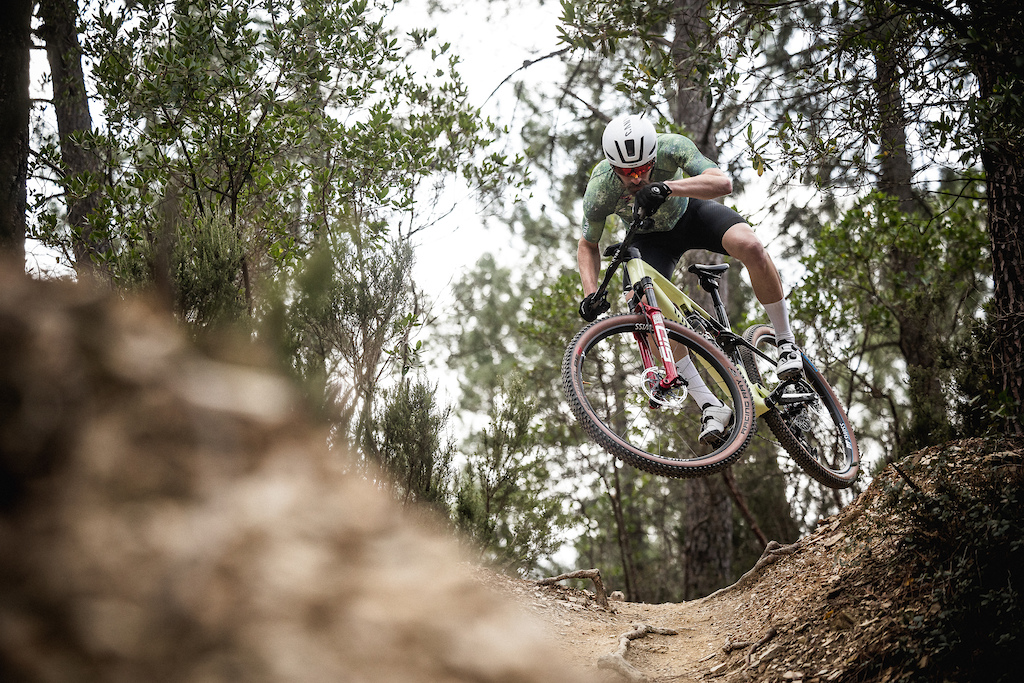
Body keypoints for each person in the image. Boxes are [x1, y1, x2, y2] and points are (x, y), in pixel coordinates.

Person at [576, 113, 802, 445]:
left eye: (642, 169)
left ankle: (785, 341)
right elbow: (587, 244)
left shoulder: (672, 147)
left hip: (691, 215)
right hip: (649, 240)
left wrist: (667, 187)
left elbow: (721, 182)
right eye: (627, 173)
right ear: (613, 168)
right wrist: (591, 292)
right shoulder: (600, 189)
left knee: (751, 246)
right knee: (640, 308)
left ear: (654, 157)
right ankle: (710, 404)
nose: (637, 179)